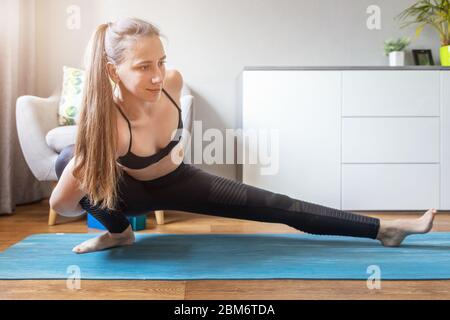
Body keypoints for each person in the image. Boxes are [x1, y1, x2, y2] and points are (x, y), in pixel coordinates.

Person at [50, 17, 437, 254]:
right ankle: (119, 234)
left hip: (179, 180)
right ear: (114, 71)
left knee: (276, 204)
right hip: (127, 196)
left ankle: (384, 230)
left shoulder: (172, 82)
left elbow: (164, 82)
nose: (157, 75)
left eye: (161, 61)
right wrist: (87, 174)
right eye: (143, 66)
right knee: (68, 158)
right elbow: (64, 205)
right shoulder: (108, 126)